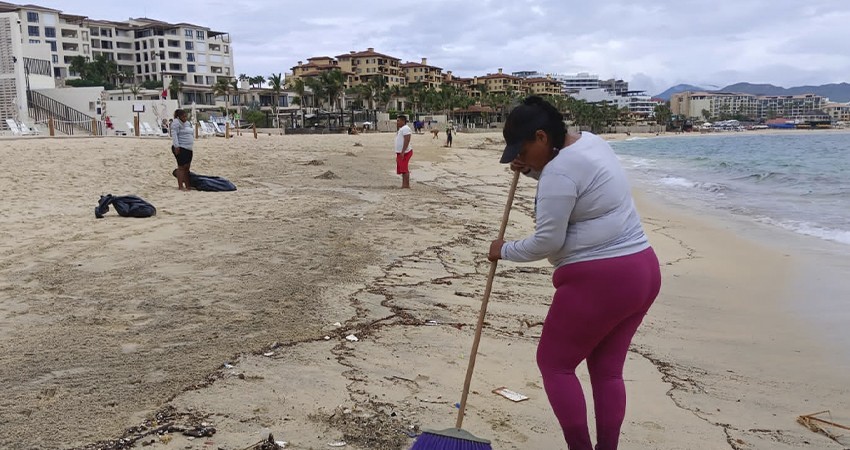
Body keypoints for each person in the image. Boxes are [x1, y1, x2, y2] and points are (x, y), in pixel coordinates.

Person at [487, 96, 661, 450]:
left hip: (601, 281)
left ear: (541, 137)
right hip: (642, 271)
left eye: (523, 148)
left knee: (554, 364)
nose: (521, 157)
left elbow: (548, 242)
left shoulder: (558, 172)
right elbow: (578, 183)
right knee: (607, 370)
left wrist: (502, 250)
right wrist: (534, 171)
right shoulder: (591, 142)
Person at [171, 109, 195, 191]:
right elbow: (174, 135)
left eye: (186, 116)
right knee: (181, 167)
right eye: (183, 116)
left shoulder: (188, 123)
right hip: (181, 147)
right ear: (179, 117)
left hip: (189, 148)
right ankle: (180, 186)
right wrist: (176, 146)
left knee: (187, 167)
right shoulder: (176, 123)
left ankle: (188, 185)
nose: (185, 118)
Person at [394, 115, 413, 189]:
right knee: (402, 168)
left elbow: (407, 140)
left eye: (398, 121)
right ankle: (404, 184)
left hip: (405, 152)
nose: (397, 122)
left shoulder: (406, 129)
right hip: (401, 152)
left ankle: (406, 185)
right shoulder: (402, 129)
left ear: (403, 121)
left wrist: (403, 152)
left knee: (404, 169)